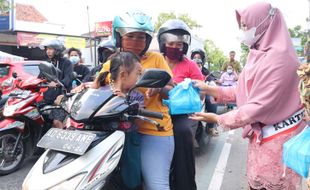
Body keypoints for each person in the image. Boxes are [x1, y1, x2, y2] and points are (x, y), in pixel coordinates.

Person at [189, 2, 306, 190]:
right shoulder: (257, 54)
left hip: (277, 142)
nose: (243, 31)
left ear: (264, 23)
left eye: (246, 25)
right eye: (242, 26)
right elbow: (244, 92)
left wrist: (219, 118)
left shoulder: (280, 59)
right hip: (261, 140)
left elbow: (258, 106)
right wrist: (209, 89)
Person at [96, 11, 174, 190]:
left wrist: (160, 88)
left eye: (141, 37)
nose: (136, 42)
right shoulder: (113, 62)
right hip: (116, 131)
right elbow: (97, 85)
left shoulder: (156, 59)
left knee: (156, 186)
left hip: (153, 129)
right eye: (130, 36)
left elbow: (171, 89)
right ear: (119, 37)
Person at [158, 19, 204, 190]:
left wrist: (188, 88)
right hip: (155, 110)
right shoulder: (156, 60)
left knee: (183, 132)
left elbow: (202, 91)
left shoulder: (190, 65)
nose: (175, 47)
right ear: (163, 44)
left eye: (179, 44)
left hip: (180, 113)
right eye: (171, 43)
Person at [40, 39, 73, 129]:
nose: (48, 51)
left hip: (62, 98)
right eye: (47, 49)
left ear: (57, 50)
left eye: (51, 49)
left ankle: (62, 141)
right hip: (47, 98)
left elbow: (68, 78)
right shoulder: (47, 63)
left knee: (56, 122)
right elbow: (40, 78)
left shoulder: (66, 63)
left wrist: (58, 83)